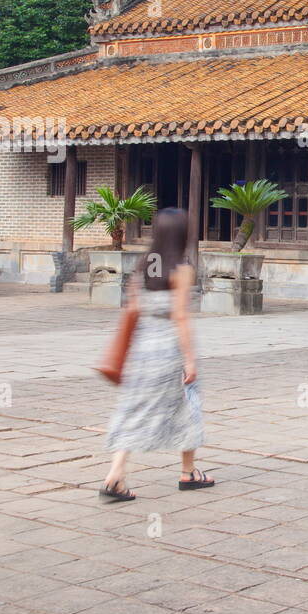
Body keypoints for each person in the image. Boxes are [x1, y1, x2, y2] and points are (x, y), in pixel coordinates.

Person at [100, 208, 212, 500]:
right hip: (168, 350)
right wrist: (189, 359)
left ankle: (115, 474)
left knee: (134, 410)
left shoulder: (145, 264)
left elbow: (134, 307)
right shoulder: (182, 268)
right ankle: (188, 472)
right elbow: (181, 316)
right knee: (187, 408)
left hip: (142, 349)